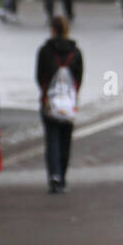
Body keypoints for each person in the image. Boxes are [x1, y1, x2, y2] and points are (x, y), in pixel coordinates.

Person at [37, 15, 83, 194]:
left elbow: (39, 75)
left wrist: (46, 90)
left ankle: (53, 175)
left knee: (52, 139)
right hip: (69, 102)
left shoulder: (45, 51)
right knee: (65, 140)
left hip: (49, 101)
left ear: (53, 29)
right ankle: (62, 176)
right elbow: (79, 77)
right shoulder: (76, 52)